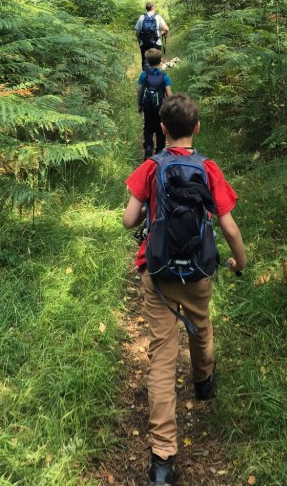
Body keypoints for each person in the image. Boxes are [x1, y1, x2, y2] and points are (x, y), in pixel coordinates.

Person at [122, 94, 248, 486]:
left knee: (161, 358)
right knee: (201, 325)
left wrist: (145, 208)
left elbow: (129, 221)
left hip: (157, 274)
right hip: (198, 271)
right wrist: (239, 262)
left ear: (162, 129)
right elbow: (227, 226)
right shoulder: (209, 169)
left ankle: (162, 459)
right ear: (196, 128)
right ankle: (203, 380)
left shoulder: (150, 167)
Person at [138, 48, 173, 158]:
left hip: (147, 106)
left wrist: (140, 104)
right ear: (160, 60)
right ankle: (159, 152)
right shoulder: (164, 76)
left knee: (148, 127)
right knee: (160, 129)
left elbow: (140, 91)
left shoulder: (144, 74)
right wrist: (171, 106)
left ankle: (148, 146)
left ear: (147, 60)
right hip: (160, 107)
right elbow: (169, 93)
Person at [135, 2, 170, 69]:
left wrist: (140, 42)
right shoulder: (157, 17)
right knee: (156, 62)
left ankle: (146, 76)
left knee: (145, 61)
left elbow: (137, 32)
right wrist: (162, 33)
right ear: (153, 7)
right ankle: (157, 76)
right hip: (156, 42)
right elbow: (166, 28)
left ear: (147, 8)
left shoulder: (142, 17)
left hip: (144, 43)